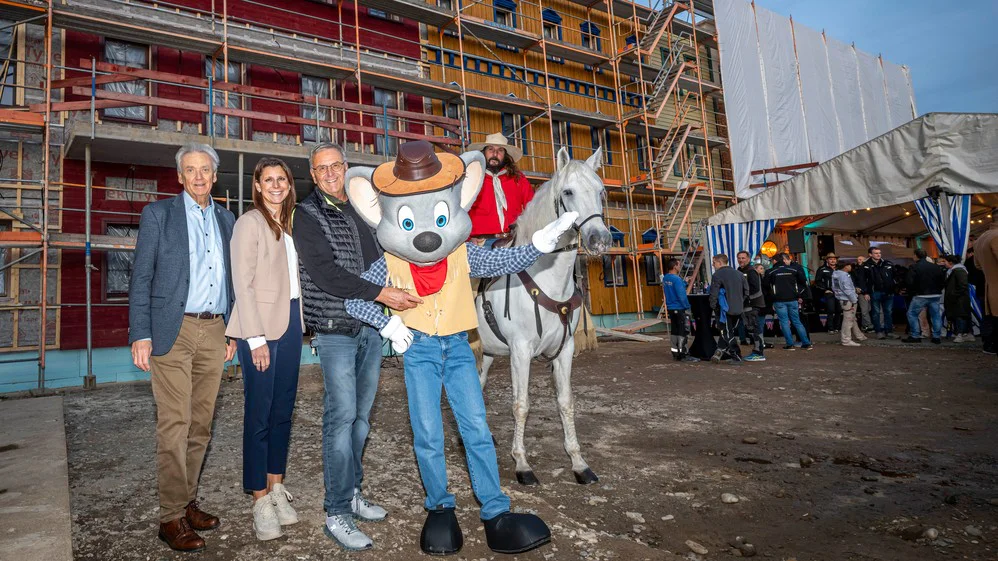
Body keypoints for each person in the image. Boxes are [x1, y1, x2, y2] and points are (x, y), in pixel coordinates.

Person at [343, 142, 567, 555]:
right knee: (428, 433)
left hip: (460, 348)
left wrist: (538, 245)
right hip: (419, 351)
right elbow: (354, 299)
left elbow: (503, 263)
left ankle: (495, 510)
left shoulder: (464, 253)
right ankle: (440, 506)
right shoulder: (390, 261)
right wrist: (388, 323)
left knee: (476, 429)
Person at [291, 142, 422, 550]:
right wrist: (381, 294)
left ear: (346, 167)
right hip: (335, 329)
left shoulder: (366, 209)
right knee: (341, 417)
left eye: (336, 165)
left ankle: (352, 493)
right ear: (313, 175)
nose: (330, 173)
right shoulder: (307, 215)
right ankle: (336, 512)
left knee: (362, 419)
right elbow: (326, 274)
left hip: (371, 328)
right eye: (322, 168)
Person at [129, 143, 237, 553]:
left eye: (205, 170)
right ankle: (170, 517)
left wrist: (233, 330)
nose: (198, 176)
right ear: (179, 176)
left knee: (201, 425)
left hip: (215, 330)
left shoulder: (227, 219)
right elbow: (141, 276)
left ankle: (187, 501)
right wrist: (141, 333)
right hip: (170, 330)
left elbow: (232, 279)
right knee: (174, 423)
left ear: (215, 176)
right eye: (190, 170)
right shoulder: (158, 214)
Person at [226, 158, 304, 541]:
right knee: (259, 414)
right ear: (257, 185)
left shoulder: (289, 225)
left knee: (283, 412)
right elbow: (242, 283)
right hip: (260, 328)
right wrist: (254, 338)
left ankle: (276, 487)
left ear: (289, 185)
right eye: (268, 180)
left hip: (291, 324)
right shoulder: (249, 223)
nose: (275, 185)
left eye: (281, 179)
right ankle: (259, 499)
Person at [466, 133, 535, 245]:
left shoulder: (518, 178)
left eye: (500, 150)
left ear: (505, 155)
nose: (495, 154)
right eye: (490, 149)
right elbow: (461, 210)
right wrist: (467, 238)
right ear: (484, 152)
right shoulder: (472, 178)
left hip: (512, 241)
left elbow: (533, 206)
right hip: (480, 243)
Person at [765, 253, 813, 350]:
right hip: (793, 299)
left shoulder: (770, 272)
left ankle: (790, 344)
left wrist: (771, 296)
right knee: (797, 321)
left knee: (784, 322)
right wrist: (798, 294)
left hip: (779, 300)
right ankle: (806, 343)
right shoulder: (793, 270)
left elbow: (765, 285)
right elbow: (803, 282)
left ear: (774, 261)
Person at [709, 254, 749, 363]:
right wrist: (740, 302)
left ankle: (736, 355)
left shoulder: (717, 275)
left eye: (714, 262)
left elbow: (714, 293)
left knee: (726, 333)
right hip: (738, 308)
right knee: (728, 332)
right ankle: (719, 351)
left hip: (724, 309)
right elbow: (746, 291)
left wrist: (714, 306)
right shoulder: (739, 274)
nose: (713, 265)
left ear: (719, 262)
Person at [903, 248, 945, 344]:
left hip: (920, 295)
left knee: (912, 314)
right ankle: (936, 337)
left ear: (916, 256)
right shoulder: (936, 267)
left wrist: (912, 291)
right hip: (935, 294)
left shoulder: (914, 267)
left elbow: (909, 282)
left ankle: (915, 335)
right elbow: (942, 281)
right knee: (935, 315)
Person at [662, 258, 698, 362]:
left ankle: (676, 353)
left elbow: (673, 288)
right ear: (675, 267)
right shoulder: (677, 279)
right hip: (680, 307)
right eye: (679, 264)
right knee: (683, 331)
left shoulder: (666, 278)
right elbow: (681, 295)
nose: (680, 266)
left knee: (675, 331)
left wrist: (684, 282)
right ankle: (683, 354)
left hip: (671, 308)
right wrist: (687, 306)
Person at [974, 211, 998, 356]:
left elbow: (977, 265)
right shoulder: (996, 237)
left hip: (990, 288)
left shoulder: (981, 238)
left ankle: (989, 345)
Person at [862, 247, 898, 339]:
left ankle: (889, 332)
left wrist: (895, 287)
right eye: (876, 253)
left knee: (888, 312)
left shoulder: (888, 263)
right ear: (870, 254)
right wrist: (865, 292)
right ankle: (878, 332)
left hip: (888, 292)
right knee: (876, 313)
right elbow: (862, 280)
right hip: (875, 292)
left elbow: (896, 276)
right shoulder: (865, 265)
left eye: (879, 253)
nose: (878, 254)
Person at [736, 251, 765, 361]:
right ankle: (757, 350)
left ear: (748, 259)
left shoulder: (751, 271)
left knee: (754, 327)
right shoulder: (740, 270)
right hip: (746, 304)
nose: (741, 260)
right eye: (739, 258)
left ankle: (759, 352)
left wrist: (744, 297)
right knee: (751, 328)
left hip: (752, 304)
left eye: (743, 258)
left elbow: (755, 288)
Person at [938, 254, 972, 342]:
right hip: (957, 299)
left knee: (960, 316)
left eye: (944, 261)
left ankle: (961, 335)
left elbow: (963, 285)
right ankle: (965, 334)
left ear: (950, 262)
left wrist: (953, 295)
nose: (943, 263)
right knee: (960, 316)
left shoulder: (959, 271)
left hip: (959, 299)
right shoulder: (954, 271)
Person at [832, 262, 866, 346]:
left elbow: (835, 287)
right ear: (846, 267)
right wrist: (854, 300)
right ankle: (846, 340)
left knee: (852, 318)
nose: (851, 267)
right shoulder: (844, 276)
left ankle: (859, 335)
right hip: (848, 300)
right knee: (848, 320)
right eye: (849, 265)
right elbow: (847, 289)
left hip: (842, 298)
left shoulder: (835, 274)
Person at [813, 253, 842, 334]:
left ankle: (837, 328)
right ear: (827, 260)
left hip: (840, 292)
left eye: (834, 259)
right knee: (830, 310)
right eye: (831, 259)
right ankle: (830, 328)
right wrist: (825, 289)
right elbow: (818, 281)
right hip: (829, 292)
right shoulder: (822, 269)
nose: (833, 260)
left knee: (839, 310)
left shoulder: (840, 268)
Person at [754, 262, 773, 349]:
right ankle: (760, 342)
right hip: (760, 305)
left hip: (763, 305)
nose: (763, 270)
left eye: (763, 268)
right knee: (760, 323)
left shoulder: (762, 279)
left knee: (760, 323)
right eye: (761, 268)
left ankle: (760, 341)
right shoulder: (758, 281)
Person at [853, 255, 873, 331]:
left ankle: (865, 325)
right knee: (865, 310)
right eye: (858, 259)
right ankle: (868, 325)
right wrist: (864, 292)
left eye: (860, 259)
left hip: (867, 292)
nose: (859, 260)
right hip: (862, 292)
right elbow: (858, 281)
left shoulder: (866, 268)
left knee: (868, 309)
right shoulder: (856, 269)